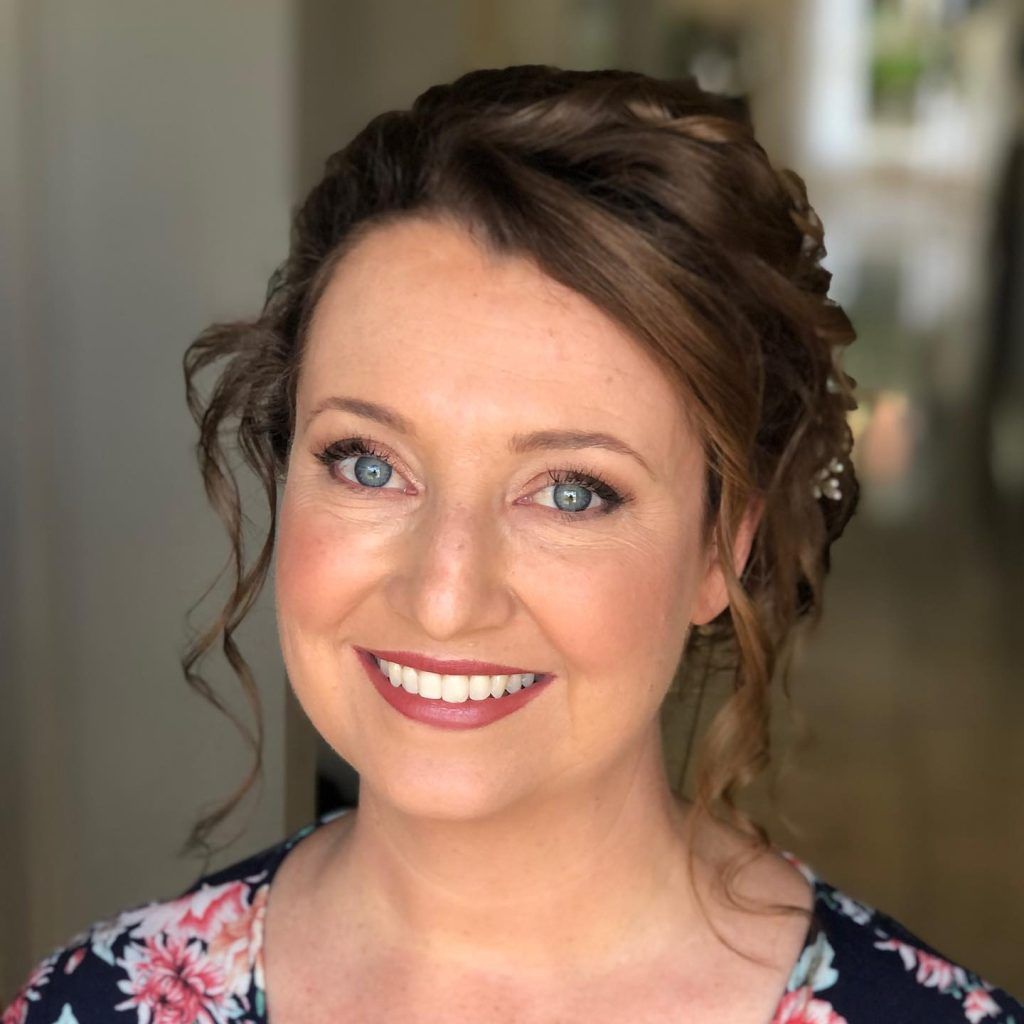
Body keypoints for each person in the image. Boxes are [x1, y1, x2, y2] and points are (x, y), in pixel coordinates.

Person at [4, 65, 1021, 1024]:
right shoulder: (91, 1003)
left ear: (721, 543)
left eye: (572, 491)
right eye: (366, 462)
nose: (444, 595)